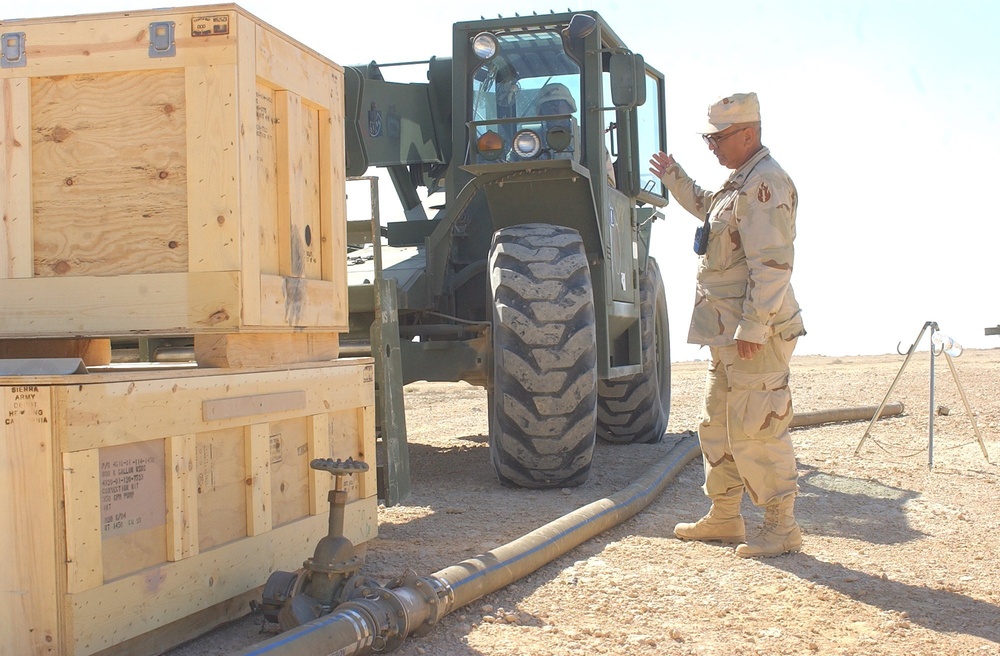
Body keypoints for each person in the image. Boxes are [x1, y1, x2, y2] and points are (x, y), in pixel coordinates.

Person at [649, 92, 806, 558]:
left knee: (759, 429)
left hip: (755, 337)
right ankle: (724, 517)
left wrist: (755, 329)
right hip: (728, 336)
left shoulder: (765, 185)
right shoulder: (738, 185)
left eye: (718, 138)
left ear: (748, 134)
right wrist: (673, 177)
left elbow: (773, 264)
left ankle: (781, 528)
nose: (712, 146)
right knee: (717, 426)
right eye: (709, 138)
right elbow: (706, 209)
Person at [535, 83, 616, 187]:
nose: (554, 108)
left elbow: (608, 184)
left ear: (569, 107)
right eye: (548, 104)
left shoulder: (589, 138)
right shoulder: (529, 140)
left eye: (559, 102)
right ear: (541, 111)